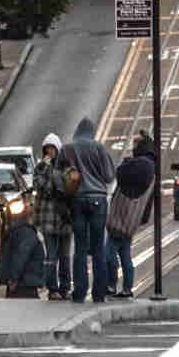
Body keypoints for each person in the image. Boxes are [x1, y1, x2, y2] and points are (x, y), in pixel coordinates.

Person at [61, 117, 116, 303]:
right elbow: (109, 177)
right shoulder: (98, 148)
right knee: (98, 247)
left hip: (77, 200)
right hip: (98, 200)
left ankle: (79, 291)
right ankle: (99, 293)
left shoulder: (67, 149)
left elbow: (58, 175)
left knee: (80, 248)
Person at [105, 133, 157, 299]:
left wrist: (126, 163)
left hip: (121, 213)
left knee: (110, 253)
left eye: (135, 143)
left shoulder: (137, 164)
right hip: (133, 217)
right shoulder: (153, 167)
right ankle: (127, 288)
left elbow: (119, 175)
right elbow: (150, 199)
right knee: (126, 253)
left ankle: (111, 285)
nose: (133, 146)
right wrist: (143, 217)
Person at [33, 133, 73, 298]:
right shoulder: (40, 167)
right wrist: (45, 169)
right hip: (49, 219)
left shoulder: (66, 166)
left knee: (64, 255)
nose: (49, 152)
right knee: (51, 255)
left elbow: (70, 186)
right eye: (47, 149)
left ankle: (65, 287)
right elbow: (40, 187)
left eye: (52, 148)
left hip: (65, 218)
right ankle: (52, 288)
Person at [0, 206, 51, 298]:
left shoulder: (22, 231)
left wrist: (13, 279)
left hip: (23, 283)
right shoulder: (26, 232)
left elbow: (20, 256)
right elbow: (20, 256)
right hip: (24, 284)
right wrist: (13, 279)